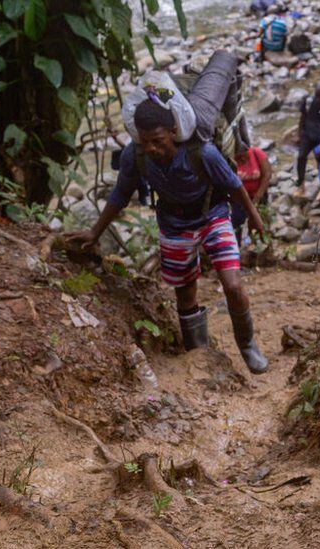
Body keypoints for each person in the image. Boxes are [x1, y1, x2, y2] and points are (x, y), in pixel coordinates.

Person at [66, 100, 270, 375]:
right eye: (145, 140)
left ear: (173, 132)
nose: (152, 148)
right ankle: (198, 355)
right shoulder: (135, 156)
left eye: (158, 140)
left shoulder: (203, 153)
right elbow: (120, 195)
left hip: (213, 215)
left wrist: (255, 218)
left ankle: (247, 345)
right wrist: (94, 232)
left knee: (233, 285)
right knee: (185, 293)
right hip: (174, 223)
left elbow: (234, 186)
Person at [230, 139, 273, 247]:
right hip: (239, 198)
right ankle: (237, 247)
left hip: (259, 194)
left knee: (262, 221)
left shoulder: (257, 153)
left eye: (245, 156)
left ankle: (265, 245)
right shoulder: (230, 160)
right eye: (239, 157)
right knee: (237, 222)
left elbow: (267, 174)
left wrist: (259, 195)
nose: (243, 159)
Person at [296, 82, 320, 190]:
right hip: (308, 134)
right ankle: (300, 181)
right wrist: (299, 135)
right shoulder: (308, 101)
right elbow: (302, 118)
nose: (319, 100)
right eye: (317, 97)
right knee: (301, 157)